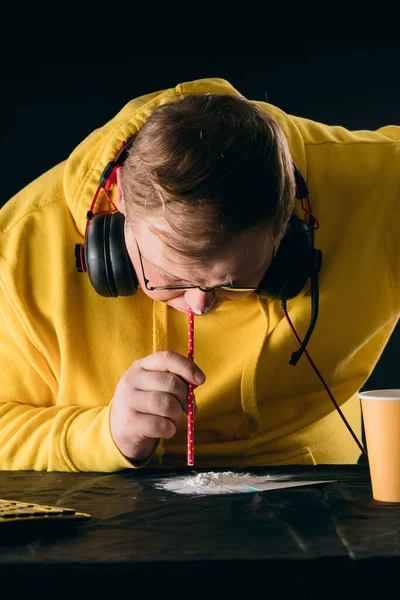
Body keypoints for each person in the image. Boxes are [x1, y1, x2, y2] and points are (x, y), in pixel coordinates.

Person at [0, 76, 398, 472]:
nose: (200, 304)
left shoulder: (379, 186)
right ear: (118, 200)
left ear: (291, 223)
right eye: (170, 278)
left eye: (235, 282)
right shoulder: (15, 245)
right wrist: (104, 434)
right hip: (103, 504)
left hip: (318, 499)